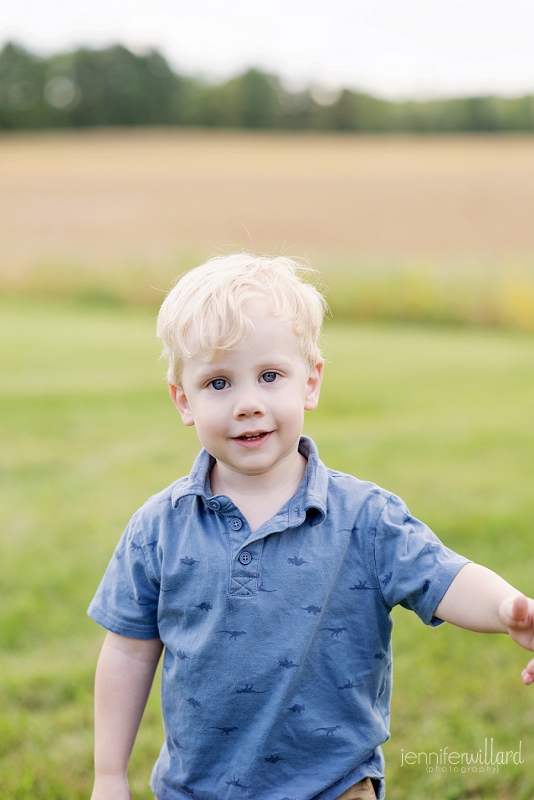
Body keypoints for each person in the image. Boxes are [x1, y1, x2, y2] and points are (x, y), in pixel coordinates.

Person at [88, 253, 534, 800]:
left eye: (270, 376)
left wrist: (510, 609)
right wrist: (109, 776)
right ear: (184, 399)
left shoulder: (364, 517)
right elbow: (129, 651)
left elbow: (446, 578)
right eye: (218, 383)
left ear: (311, 382)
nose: (248, 404)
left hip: (334, 786)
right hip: (196, 788)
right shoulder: (158, 528)